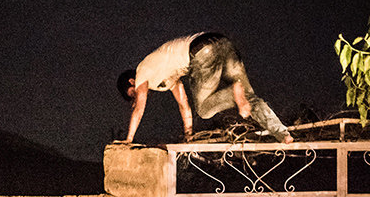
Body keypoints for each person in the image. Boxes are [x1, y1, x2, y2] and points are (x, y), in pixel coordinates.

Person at [117, 32, 293, 144]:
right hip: (223, 43)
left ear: (132, 81)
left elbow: (140, 108)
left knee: (204, 109)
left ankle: (233, 92)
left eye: (132, 92)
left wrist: (129, 139)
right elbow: (183, 104)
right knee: (250, 98)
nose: (137, 95)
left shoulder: (142, 71)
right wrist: (188, 135)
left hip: (201, 52)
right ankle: (282, 133)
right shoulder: (164, 77)